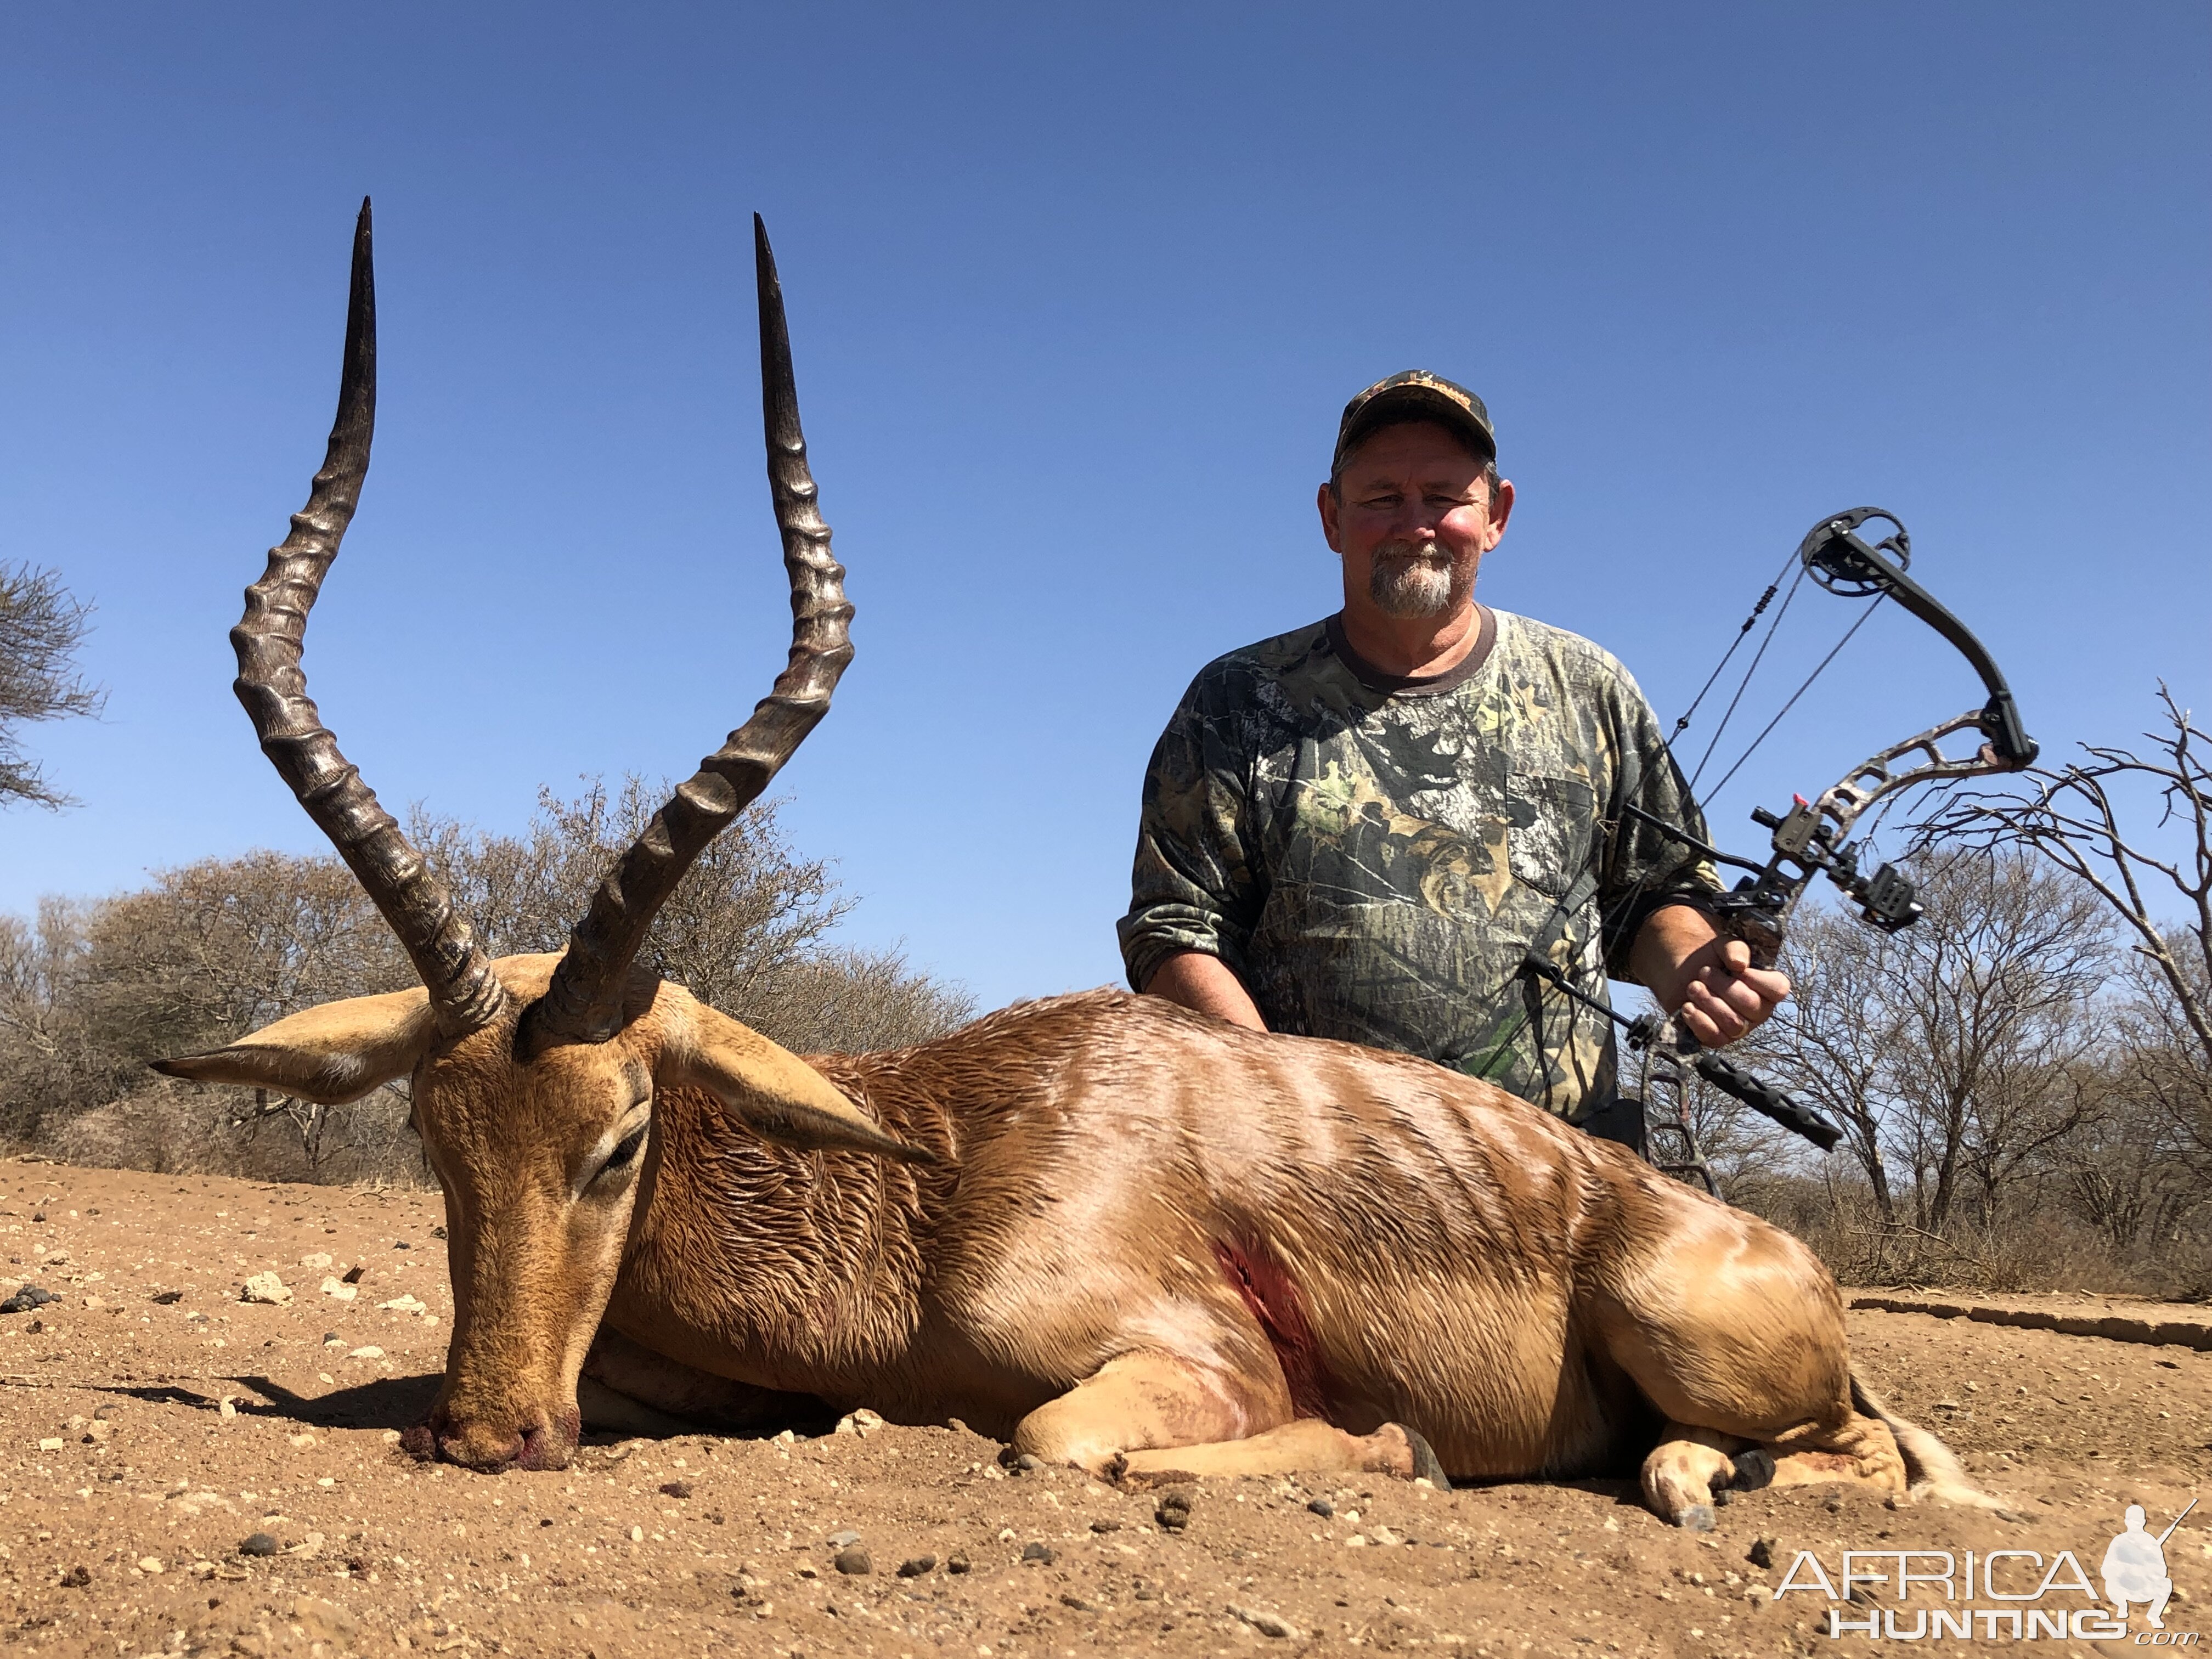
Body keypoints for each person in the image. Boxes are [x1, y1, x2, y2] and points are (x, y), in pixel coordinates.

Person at [1117, 371, 1789, 1134]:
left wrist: (1698, 975)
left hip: (1563, 1173)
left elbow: (1660, 890)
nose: (1415, 522)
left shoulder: (1587, 683)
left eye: (1444, 497)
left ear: (1496, 515)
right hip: (1318, 1179)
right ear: (1331, 516)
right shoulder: (1235, 698)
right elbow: (1175, 928)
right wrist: (1281, 1112)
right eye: (1382, 498)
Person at [2101, 1505, 2174, 1629]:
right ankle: (2122, 1606)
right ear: (2126, 1522)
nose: (2135, 1525)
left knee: (2166, 1583)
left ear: (2144, 1522)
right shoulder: (2119, 1541)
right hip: (2122, 1589)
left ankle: (2154, 1615)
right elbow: (2105, 1569)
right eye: (2132, 1521)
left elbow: (2162, 1571)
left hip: (2144, 1590)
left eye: (2138, 1522)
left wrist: (2145, 1569)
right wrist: (2123, 1569)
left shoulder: (2151, 1542)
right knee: (2111, 1581)